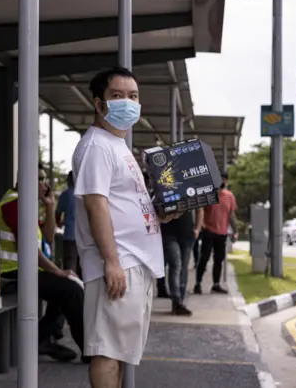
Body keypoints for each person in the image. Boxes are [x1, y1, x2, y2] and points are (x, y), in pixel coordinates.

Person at [72, 67, 178, 388]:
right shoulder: (97, 146)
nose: (127, 102)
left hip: (135, 263)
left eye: (133, 96)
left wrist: (159, 217)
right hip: (119, 265)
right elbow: (96, 204)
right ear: (98, 103)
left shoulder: (118, 146)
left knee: (119, 354)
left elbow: (123, 205)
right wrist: (112, 261)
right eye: (117, 96)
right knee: (107, 352)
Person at [0, 165, 86, 363]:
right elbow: (27, 248)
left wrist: (50, 206)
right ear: (23, 181)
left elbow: (50, 237)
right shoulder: (14, 204)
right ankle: (89, 350)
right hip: (11, 274)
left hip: (27, 270)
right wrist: (58, 271)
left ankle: (41, 339)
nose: (44, 184)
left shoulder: (26, 203)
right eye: (39, 179)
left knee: (67, 288)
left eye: (44, 178)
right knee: (70, 290)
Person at [194, 172, 237, 295]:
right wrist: (202, 225)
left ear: (226, 182)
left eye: (224, 180)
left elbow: (232, 215)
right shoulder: (209, 195)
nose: (222, 182)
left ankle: (216, 284)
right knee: (204, 257)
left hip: (222, 232)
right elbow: (200, 211)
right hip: (209, 231)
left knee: (219, 259)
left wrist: (235, 231)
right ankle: (198, 283)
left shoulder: (230, 196)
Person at [160, 209, 204, 315]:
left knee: (183, 267)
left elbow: (200, 210)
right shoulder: (166, 191)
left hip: (187, 234)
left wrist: (197, 229)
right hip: (168, 233)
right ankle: (176, 300)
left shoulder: (190, 192)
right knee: (176, 264)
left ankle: (181, 301)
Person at [56, 171, 80, 275]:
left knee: (70, 266)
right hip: (84, 237)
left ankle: (72, 289)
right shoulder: (84, 195)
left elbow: (58, 213)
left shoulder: (65, 195)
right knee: (83, 267)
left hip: (70, 236)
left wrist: (59, 223)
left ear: (69, 180)